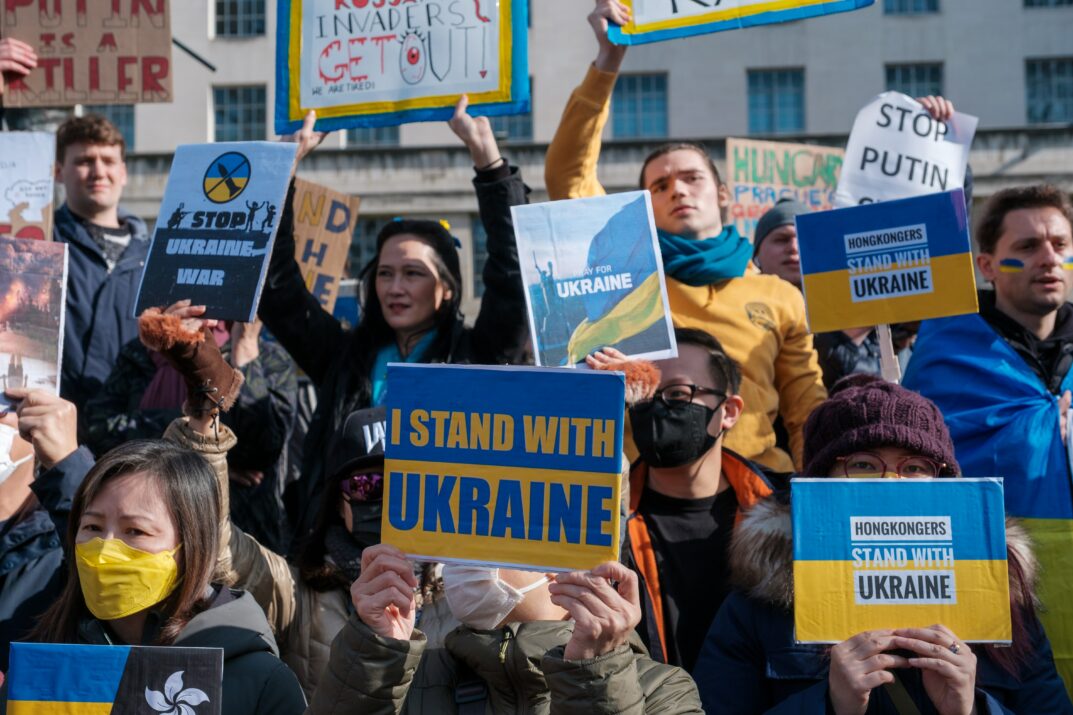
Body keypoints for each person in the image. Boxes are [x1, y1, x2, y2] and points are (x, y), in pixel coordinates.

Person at [545, 0, 826, 473]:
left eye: (691, 178)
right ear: (644, 204)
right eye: (659, 185)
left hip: (759, 490)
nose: (676, 188)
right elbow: (567, 176)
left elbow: (806, 410)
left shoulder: (778, 295)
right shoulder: (625, 280)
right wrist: (607, 62)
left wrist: (818, 497)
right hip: (646, 493)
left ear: (721, 195)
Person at [694, 375, 1073, 714]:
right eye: (862, 465)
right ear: (818, 482)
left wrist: (972, 710)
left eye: (915, 467)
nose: (891, 482)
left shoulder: (1000, 599)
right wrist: (829, 705)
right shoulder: (758, 606)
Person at [261, 100, 530, 543]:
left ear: (446, 288)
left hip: (449, 560)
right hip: (340, 564)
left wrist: (490, 164)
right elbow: (278, 289)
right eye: (385, 273)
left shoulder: (480, 356)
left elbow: (514, 273)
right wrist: (281, 175)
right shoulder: (343, 358)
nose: (395, 287)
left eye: (413, 273)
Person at [903, 184, 1073, 692]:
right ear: (987, 265)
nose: (1049, 259)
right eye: (1026, 248)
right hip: (995, 587)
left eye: (1061, 245)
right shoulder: (944, 351)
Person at [306, 545, 704, 713]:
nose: (459, 564)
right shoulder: (412, 677)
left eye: (490, 544)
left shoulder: (661, 689)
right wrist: (375, 658)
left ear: (559, 567)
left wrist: (595, 675)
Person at [587, 329, 780, 671]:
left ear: (729, 410)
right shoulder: (599, 522)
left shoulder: (786, 514)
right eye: (646, 393)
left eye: (678, 393)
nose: (658, 406)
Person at [83, 318, 298, 553]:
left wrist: (244, 350)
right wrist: (198, 441)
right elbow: (98, 428)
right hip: (141, 528)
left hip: (236, 539)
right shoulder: (144, 352)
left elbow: (262, 450)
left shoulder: (269, 359)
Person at [52, 114, 150, 436]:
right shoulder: (36, 245)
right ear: (57, 171)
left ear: (123, 172)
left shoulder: (156, 256)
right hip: (57, 439)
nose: (98, 171)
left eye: (108, 160)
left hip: (135, 441)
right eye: (84, 160)